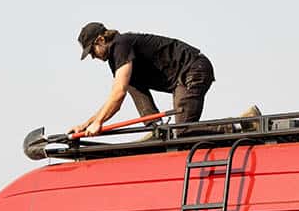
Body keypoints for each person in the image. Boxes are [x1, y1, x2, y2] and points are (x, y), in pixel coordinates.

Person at [71, 22, 216, 137]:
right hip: (183, 75)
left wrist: (99, 122)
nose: (92, 56)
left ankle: (230, 128)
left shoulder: (120, 45)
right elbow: (115, 94)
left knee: (183, 132)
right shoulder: (116, 57)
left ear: (101, 40)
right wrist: (87, 124)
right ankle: (154, 126)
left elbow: (118, 94)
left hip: (192, 69)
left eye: (92, 51)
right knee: (130, 82)